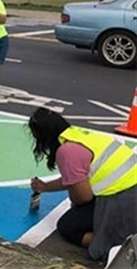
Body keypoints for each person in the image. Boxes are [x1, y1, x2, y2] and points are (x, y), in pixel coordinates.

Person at [28, 107, 137, 261]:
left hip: (123, 197)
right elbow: (78, 179)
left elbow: (82, 197)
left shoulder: (67, 151)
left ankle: (114, 244)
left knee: (68, 226)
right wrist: (46, 187)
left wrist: (75, 202)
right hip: (129, 185)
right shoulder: (82, 135)